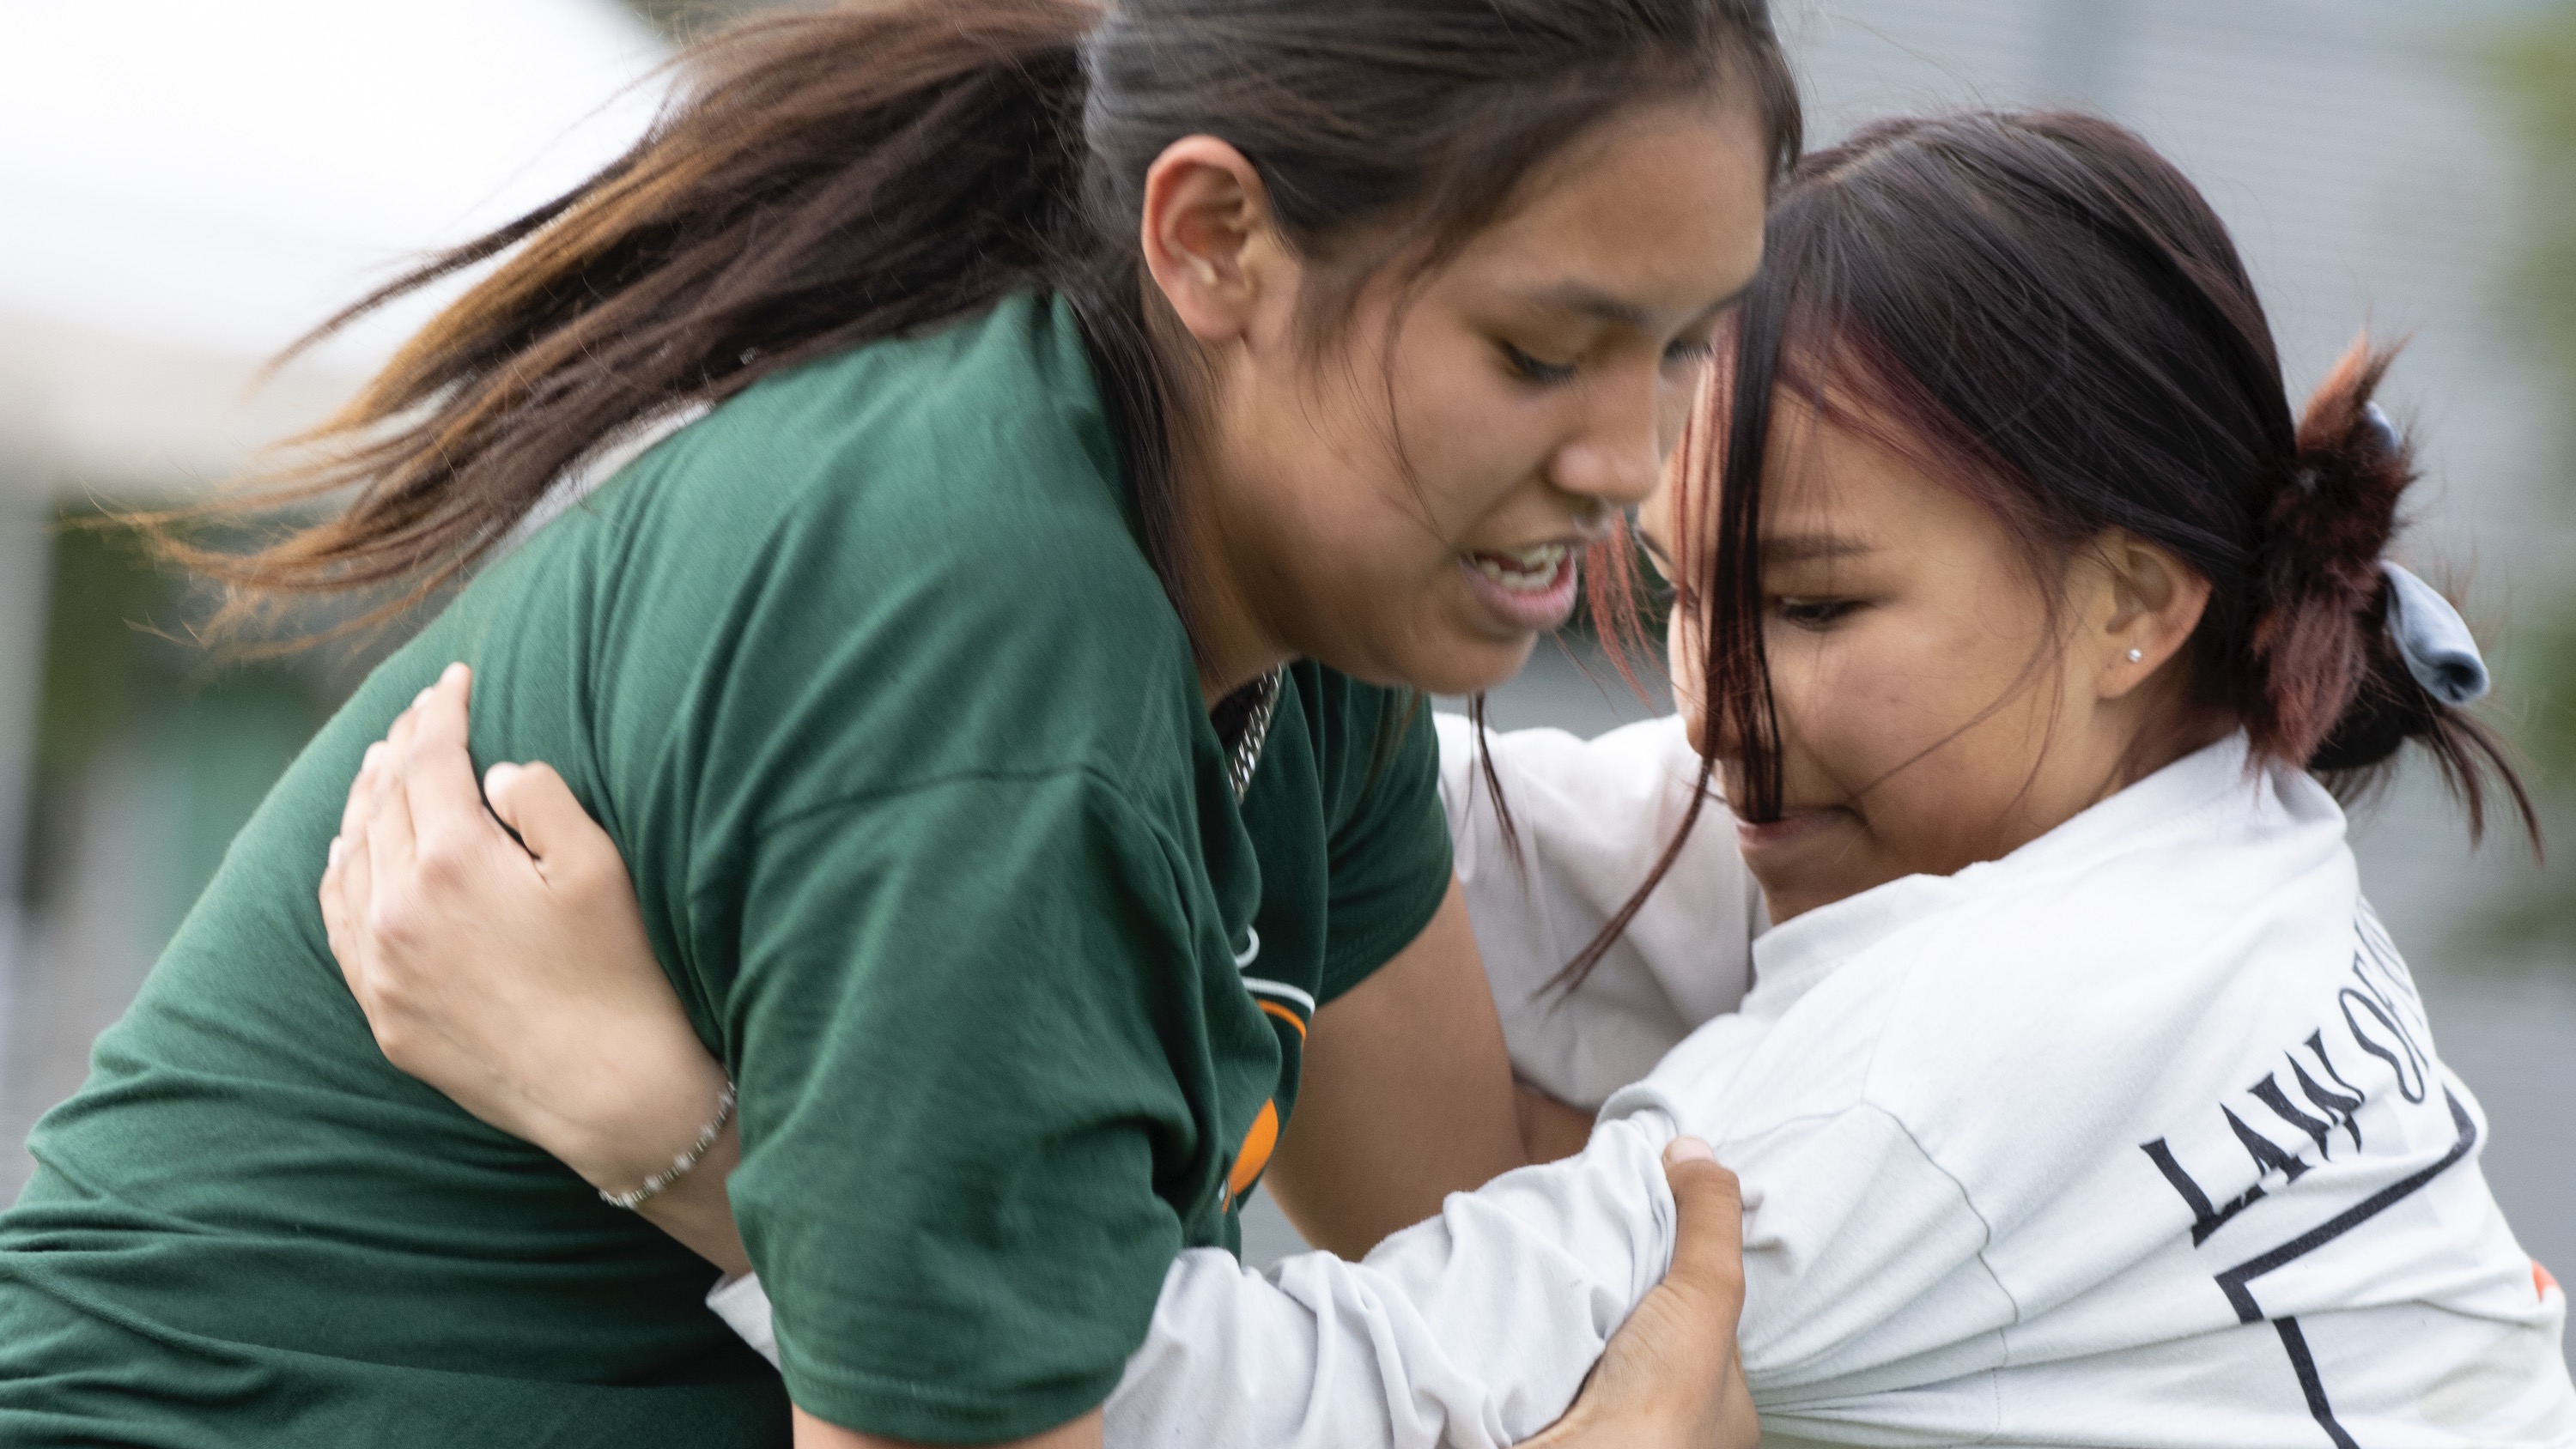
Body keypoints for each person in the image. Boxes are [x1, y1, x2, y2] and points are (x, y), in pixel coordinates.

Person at [328, 110, 2576, 1446]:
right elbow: (1431, 828)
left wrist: (684, 1139)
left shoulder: (1956, 1068)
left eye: (1812, 608)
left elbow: (1307, 1407)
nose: (1721, 714)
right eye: (1678, 597)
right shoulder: (2161, 847)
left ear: (2137, 600)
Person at [0, 2, 1803, 1446]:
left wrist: (698, 1153)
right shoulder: (988, 652)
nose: (1627, 463)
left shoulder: (1311, 614)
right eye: (1539, 353)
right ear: (1215, 244)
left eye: (1680, 348)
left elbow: (1472, 1256)